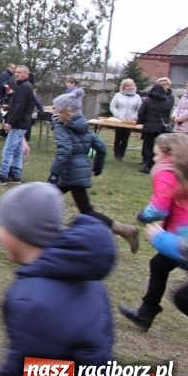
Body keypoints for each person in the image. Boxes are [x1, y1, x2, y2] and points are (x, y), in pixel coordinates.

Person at [0, 182, 119, 376]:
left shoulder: (33, 302)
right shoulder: (87, 277)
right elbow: (63, 369)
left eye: (3, 225)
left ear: (18, 233)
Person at [48, 89, 140, 253]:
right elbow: (101, 148)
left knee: (43, 199)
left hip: (69, 173)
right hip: (80, 172)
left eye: (55, 107)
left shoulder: (62, 124)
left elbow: (65, 150)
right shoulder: (83, 125)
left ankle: (43, 236)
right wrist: (97, 166)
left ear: (63, 110)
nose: (53, 110)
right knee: (84, 209)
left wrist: (54, 173)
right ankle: (123, 229)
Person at [119, 133, 188, 332]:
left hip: (181, 238)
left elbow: (160, 208)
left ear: (169, 153)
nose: (154, 159)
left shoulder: (167, 171)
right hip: (179, 234)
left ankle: (146, 312)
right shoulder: (182, 169)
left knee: (183, 297)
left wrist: (143, 216)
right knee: (158, 264)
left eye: (156, 155)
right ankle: (146, 313)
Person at [0, 65, 34, 185]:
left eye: (19, 72)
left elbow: (19, 107)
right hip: (22, 123)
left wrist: (10, 122)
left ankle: (2, 176)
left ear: (26, 74)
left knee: (8, 150)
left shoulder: (24, 87)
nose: (16, 74)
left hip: (18, 123)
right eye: (16, 72)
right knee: (18, 150)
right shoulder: (24, 87)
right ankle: (15, 174)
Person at [137, 82, 173, 174]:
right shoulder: (167, 102)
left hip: (149, 127)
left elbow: (141, 113)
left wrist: (142, 121)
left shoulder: (147, 100)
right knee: (159, 148)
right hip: (161, 128)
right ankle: (157, 165)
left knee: (148, 147)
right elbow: (167, 116)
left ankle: (148, 166)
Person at [109, 78, 142, 160]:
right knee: (118, 137)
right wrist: (117, 115)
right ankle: (116, 154)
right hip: (120, 120)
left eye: (131, 85)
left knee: (125, 138)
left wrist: (135, 117)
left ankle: (122, 155)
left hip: (130, 121)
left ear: (133, 86)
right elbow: (112, 106)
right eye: (127, 85)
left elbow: (140, 108)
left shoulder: (137, 97)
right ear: (123, 87)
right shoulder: (118, 95)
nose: (129, 87)